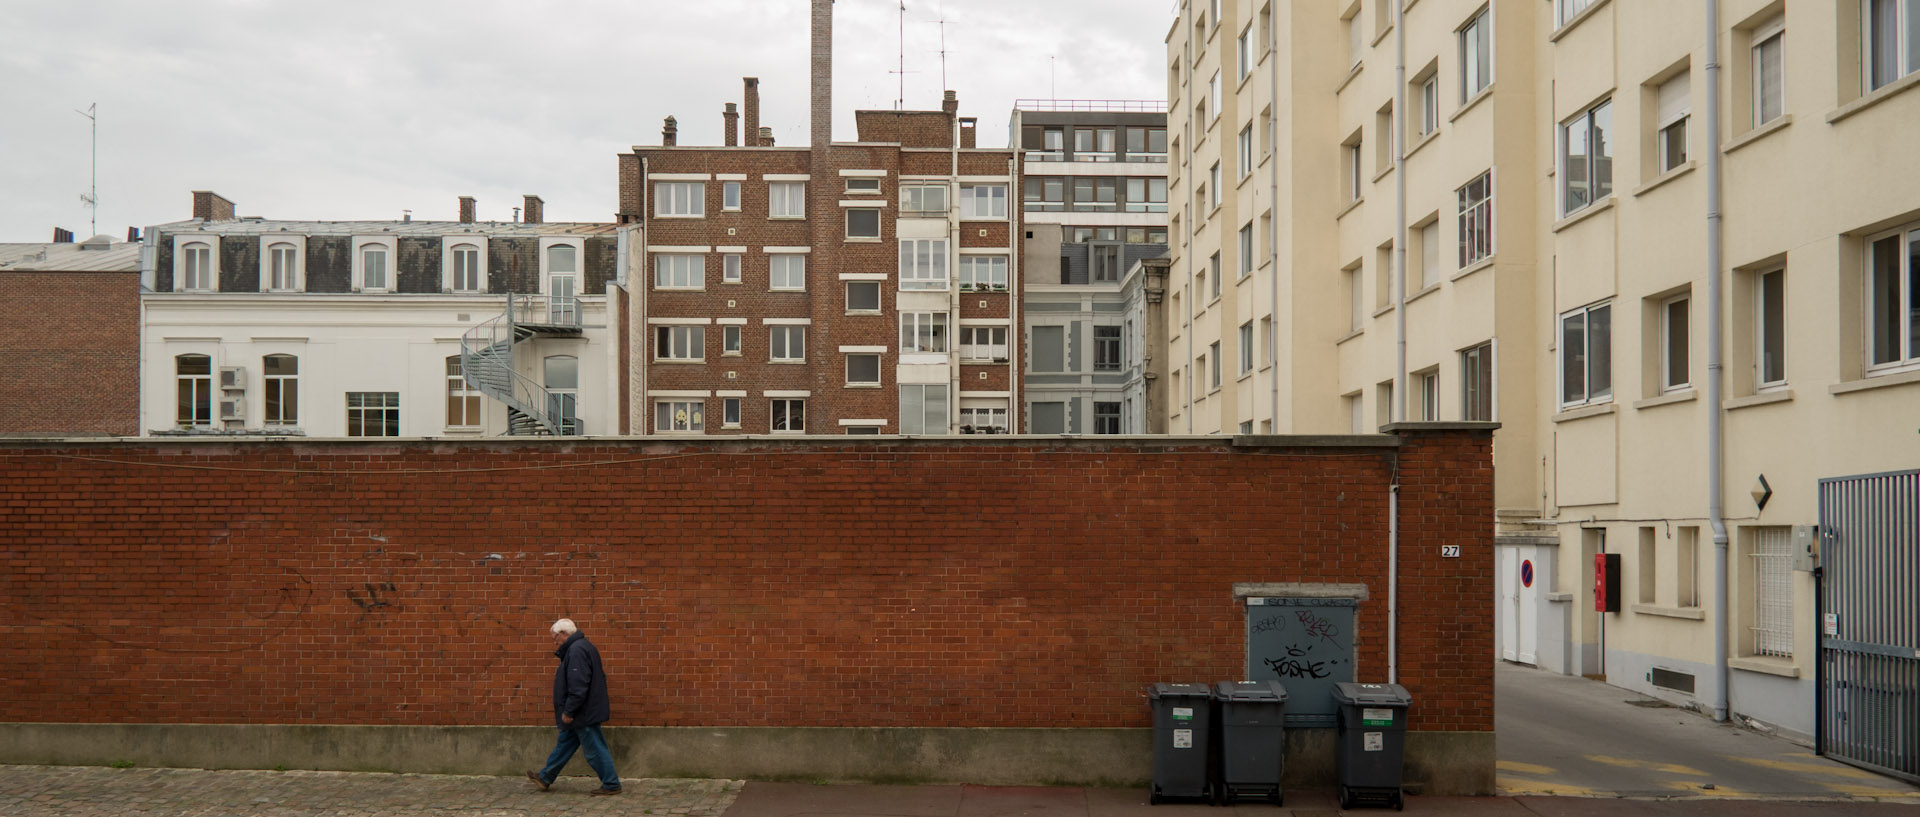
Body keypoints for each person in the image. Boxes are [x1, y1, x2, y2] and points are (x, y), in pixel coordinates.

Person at [526, 618, 621, 795]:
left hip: (582, 712)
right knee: (565, 744)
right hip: (584, 709)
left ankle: (611, 783)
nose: (555, 642)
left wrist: (569, 710)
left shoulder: (576, 650)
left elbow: (578, 685)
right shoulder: (583, 647)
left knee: (595, 749)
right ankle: (545, 777)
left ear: (563, 634)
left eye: (555, 638)